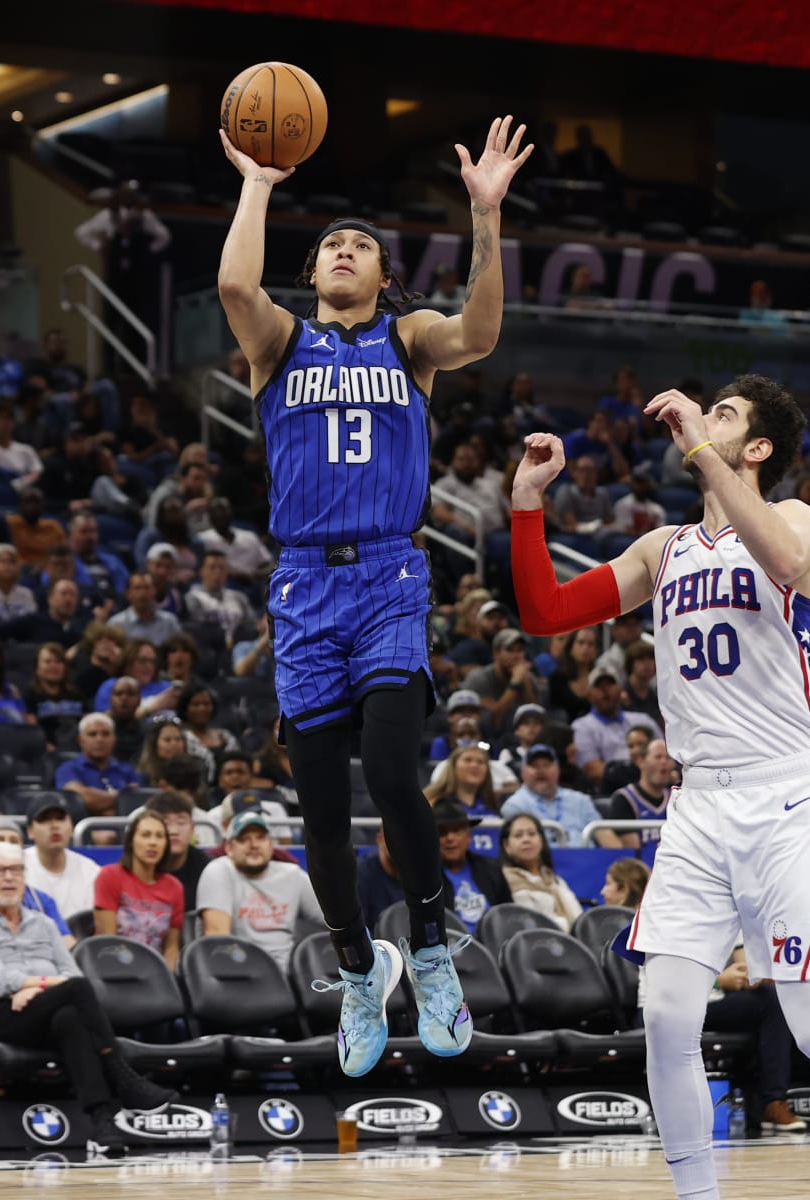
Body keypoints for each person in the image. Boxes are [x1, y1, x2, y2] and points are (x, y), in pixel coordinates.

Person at [509, 377, 810, 1200]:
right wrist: (526, 504)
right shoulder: (662, 550)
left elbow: (787, 558)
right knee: (664, 1013)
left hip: (788, 791)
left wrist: (698, 438)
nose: (705, 420)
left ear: (757, 448)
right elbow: (545, 612)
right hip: (698, 802)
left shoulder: (794, 518)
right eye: (707, 414)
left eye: (725, 415)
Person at [216, 115, 532, 1075]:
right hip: (305, 582)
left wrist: (487, 218)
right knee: (317, 809)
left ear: (382, 273)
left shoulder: (409, 339)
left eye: (359, 246)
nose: (342, 254)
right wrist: (262, 185)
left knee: (396, 776)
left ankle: (431, 950)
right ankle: (361, 967)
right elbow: (236, 283)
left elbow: (481, 331)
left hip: (391, 575)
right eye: (329, 249)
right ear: (312, 276)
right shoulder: (279, 345)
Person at [0, 841, 176, 1158]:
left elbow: (71, 972)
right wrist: (44, 984)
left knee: (69, 1017)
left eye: (16, 870)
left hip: (44, 1015)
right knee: (76, 991)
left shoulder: (42, 923)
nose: (9, 878)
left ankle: (103, 1125)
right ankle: (123, 1077)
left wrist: (35, 990)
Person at [197, 811, 321, 967]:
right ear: (229, 848)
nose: (254, 845)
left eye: (261, 838)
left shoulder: (293, 874)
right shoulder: (219, 871)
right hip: (239, 971)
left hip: (289, 974)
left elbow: (333, 920)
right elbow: (218, 942)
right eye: (243, 840)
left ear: (271, 844)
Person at [91, 810, 183, 968]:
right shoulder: (110, 876)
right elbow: (107, 940)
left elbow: (171, 947)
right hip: (113, 968)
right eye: (146, 835)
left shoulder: (174, 887)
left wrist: (168, 979)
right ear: (131, 841)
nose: (153, 842)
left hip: (155, 974)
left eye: (159, 836)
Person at [502, 743, 613, 847]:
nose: (541, 771)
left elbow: (605, 836)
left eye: (547, 765)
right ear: (523, 771)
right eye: (534, 766)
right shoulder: (514, 806)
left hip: (587, 862)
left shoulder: (580, 800)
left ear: (558, 770)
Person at [430, 798, 511, 932]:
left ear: (469, 835)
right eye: (442, 832)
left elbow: (508, 913)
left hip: (494, 945)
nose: (450, 838)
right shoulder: (425, 878)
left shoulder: (491, 869)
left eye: (456, 830)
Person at [22, 793, 98, 920]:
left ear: (72, 827)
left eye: (60, 818)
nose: (54, 826)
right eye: (44, 819)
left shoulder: (90, 871)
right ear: (30, 832)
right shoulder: (17, 868)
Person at [499, 813, 581, 929]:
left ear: (541, 840)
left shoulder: (555, 880)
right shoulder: (506, 881)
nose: (526, 839)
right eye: (518, 835)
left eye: (532, 834)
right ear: (506, 845)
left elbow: (578, 914)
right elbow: (533, 925)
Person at [605, 738, 677, 848]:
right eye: (658, 757)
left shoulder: (676, 798)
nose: (663, 762)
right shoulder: (624, 799)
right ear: (641, 761)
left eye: (668, 758)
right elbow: (634, 851)